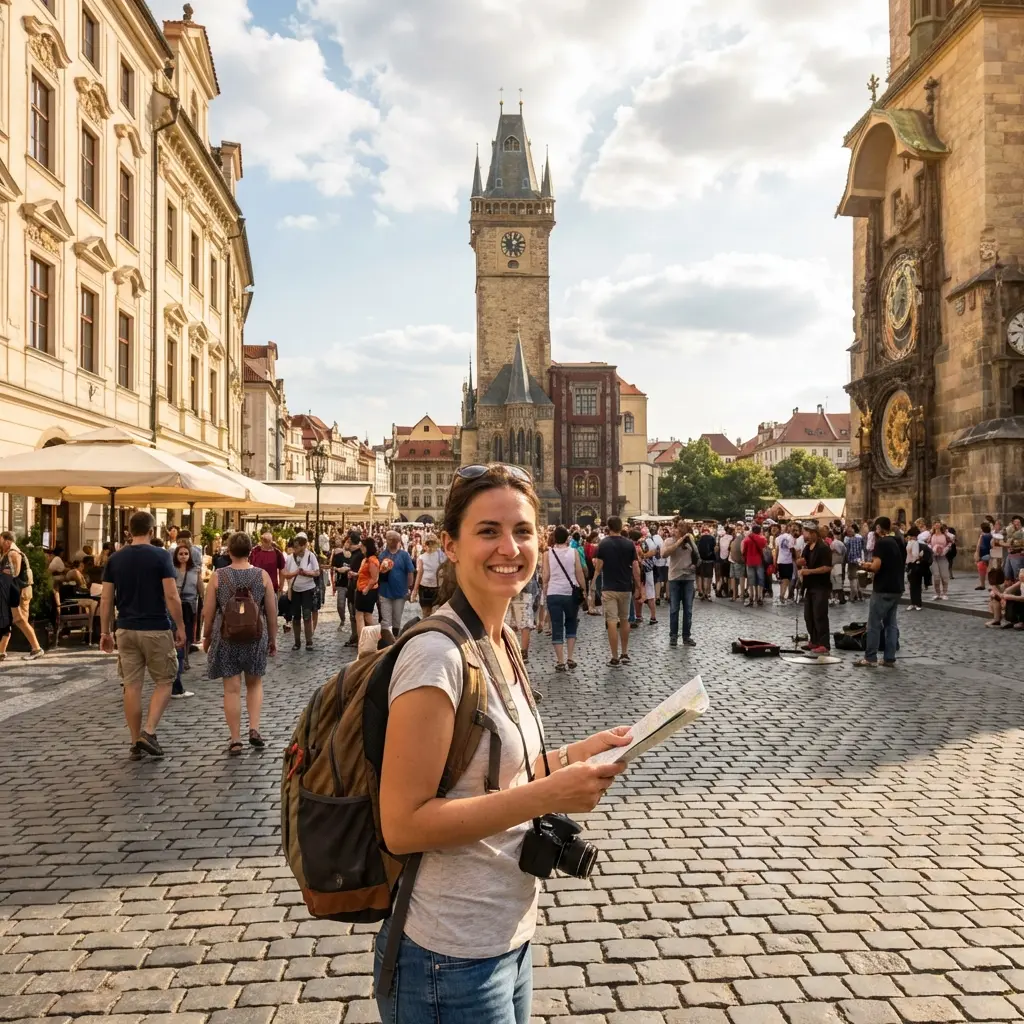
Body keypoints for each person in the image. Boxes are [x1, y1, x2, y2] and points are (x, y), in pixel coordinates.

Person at [372, 464, 630, 1024]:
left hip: (506, 935)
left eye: (523, 531)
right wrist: (548, 795)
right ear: (451, 545)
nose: (508, 547)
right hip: (448, 954)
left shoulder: (501, 638)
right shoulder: (436, 658)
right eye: (488, 531)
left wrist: (574, 756)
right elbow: (404, 824)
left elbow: (499, 775)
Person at [98, 511, 186, 760]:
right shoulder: (160, 556)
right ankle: (148, 731)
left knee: (132, 686)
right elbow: (171, 595)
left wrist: (105, 631)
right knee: (165, 680)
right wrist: (180, 626)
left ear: (129, 530)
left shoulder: (115, 559)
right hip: (155, 627)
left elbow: (106, 598)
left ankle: (135, 740)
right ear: (152, 530)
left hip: (125, 628)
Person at [202, 532, 277, 754]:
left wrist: (207, 636)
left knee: (231, 690)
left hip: (226, 636)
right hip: (255, 635)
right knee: (254, 684)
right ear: (250, 551)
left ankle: (235, 739)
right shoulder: (262, 575)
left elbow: (208, 612)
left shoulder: (218, 576)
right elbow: (271, 611)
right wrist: (272, 638)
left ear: (229, 551)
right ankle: (254, 728)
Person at [856, 516, 906, 667]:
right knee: (891, 624)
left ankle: (870, 657)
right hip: (897, 587)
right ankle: (889, 658)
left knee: (874, 624)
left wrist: (865, 565)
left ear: (878, 528)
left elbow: (876, 566)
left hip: (883, 588)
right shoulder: (899, 541)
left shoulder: (882, 543)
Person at [592, 517, 641, 667]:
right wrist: (639, 587)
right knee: (625, 619)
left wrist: (593, 584)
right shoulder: (629, 544)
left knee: (612, 621)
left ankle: (614, 656)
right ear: (621, 527)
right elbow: (635, 567)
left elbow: (599, 567)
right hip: (625, 587)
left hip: (609, 587)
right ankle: (625, 653)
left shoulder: (603, 544)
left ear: (608, 527)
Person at [542, 526, 585, 672]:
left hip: (553, 593)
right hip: (570, 593)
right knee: (571, 623)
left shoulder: (547, 554)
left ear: (554, 538)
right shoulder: (574, 552)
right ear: (568, 538)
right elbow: (579, 573)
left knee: (556, 625)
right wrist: (584, 590)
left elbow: (546, 576)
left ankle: (560, 661)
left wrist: (545, 589)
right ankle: (570, 657)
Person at [0, 532, 44, 662]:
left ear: (8, 541)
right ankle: (1, 652)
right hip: (14, 591)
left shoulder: (13, 553)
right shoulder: (7, 553)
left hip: (20, 592)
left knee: (20, 620)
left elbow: (14, 574)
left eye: (1, 540)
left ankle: (37, 648)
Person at [171, 543, 203, 698]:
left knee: (189, 633)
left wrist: (203, 600)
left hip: (190, 604)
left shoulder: (195, 570)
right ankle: (180, 659)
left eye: (185, 553)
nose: (183, 556)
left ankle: (186, 658)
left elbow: (200, 587)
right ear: (176, 556)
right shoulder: (172, 570)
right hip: (177, 604)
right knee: (177, 632)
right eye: (180, 553)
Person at [797, 522, 832, 655]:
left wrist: (809, 571)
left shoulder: (823, 547)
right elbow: (802, 561)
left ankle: (824, 643)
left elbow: (827, 567)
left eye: (805, 532)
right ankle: (814, 640)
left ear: (812, 533)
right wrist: (799, 563)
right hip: (809, 586)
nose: (803, 535)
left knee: (820, 615)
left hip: (821, 586)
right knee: (809, 615)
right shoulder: (807, 547)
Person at [664, 518, 699, 648]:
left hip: (688, 578)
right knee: (674, 609)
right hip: (675, 578)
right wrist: (678, 542)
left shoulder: (690, 541)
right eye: (678, 527)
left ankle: (686, 636)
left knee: (688, 610)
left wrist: (695, 565)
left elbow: (697, 557)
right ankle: (673, 636)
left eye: (682, 528)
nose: (678, 530)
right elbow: (663, 554)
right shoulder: (669, 541)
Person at [282, 533, 320, 651]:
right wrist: (294, 575)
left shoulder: (311, 556)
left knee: (307, 615)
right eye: (294, 546)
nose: (295, 549)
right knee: (296, 616)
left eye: (297, 546)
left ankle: (309, 641)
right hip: (295, 590)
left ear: (304, 546)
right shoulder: (289, 558)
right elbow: (286, 574)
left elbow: (317, 572)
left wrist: (307, 573)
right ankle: (297, 642)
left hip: (308, 589)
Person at [378, 531, 416, 636]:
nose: (391, 541)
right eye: (389, 539)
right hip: (385, 591)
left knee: (397, 618)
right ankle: (387, 641)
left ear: (398, 541)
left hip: (400, 592)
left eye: (393, 539)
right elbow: (377, 572)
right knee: (386, 619)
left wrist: (409, 588)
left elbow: (410, 572)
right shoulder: (382, 555)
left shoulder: (404, 555)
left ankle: (394, 638)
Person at [355, 536, 381, 639]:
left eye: (363, 546)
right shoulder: (366, 559)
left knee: (363, 616)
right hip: (362, 589)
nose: (361, 548)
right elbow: (363, 574)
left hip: (367, 591)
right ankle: (374, 638)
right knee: (365, 615)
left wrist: (366, 589)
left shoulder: (372, 560)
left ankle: (368, 639)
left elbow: (374, 578)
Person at [412, 534, 442, 617]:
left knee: (428, 613)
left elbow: (419, 574)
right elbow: (420, 573)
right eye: (429, 543)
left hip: (433, 587)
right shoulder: (422, 557)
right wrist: (415, 590)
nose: (429, 546)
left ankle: (428, 628)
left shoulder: (440, 556)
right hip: (430, 587)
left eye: (431, 543)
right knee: (430, 613)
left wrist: (415, 590)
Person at [741, 523, 767, 607]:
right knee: (760, 579)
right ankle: (760, 597)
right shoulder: (762, 538)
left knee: (751, 580)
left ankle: (751, 598)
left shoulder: (747, 539)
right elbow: (765, 548)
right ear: (760, 531)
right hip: (759, 561)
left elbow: (743, 551)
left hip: (749, 561)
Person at [905, 525, 925, 611]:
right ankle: (913, 602)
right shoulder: (910, 542)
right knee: (911, 585)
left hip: (914, 564)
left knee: (916, 585)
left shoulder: (915, 543)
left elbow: (915, 554)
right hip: (909, 564)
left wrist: (912, 562)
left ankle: (918, 603)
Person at [929, 522, 950, 600]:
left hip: (943, 557)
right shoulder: (931, 535)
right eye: (935, 524)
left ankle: (944, 593)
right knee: (936, 576)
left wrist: (945, 550)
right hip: (934, 557)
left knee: (944, 576)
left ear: (941, 526)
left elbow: (950, 543)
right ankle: (937, 593)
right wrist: (932, 550)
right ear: (933, 526)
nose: (937, 525)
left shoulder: (945, 535)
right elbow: (928, 544)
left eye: (938, 524)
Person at [696, 526, 717, 602]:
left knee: (703, 577)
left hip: (702, 560)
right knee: (709, 577)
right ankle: (708, 593)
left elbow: (697, 550)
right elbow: (715, 549)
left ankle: (703, 592)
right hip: (710, 560)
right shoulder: (712, 538)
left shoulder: (700, 539)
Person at [829, 529, 848, 606]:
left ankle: (836, 598)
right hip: (839, 564)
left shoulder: (833, 543)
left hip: (834, 564)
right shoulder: (841, 543)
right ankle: (841, 598)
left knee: (834, 582)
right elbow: (844, 552)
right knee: (838, 582)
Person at [975, 521, 993, 590]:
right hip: (990, 553)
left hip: (983, 554)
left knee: (982, 569)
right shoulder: (991, 535)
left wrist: (977, 554)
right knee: (990, 570)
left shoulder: (982, 536)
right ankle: (991, 585)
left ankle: (982, 584)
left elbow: (978, 546)